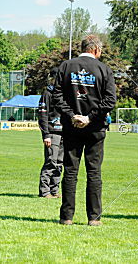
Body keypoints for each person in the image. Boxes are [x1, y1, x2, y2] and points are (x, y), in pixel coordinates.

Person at [53, 34, 116, 226]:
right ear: (96, 50)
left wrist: (72, 115)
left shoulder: (65, 66)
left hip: (71, 127)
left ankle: (67, 217)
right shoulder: (104, 69)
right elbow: (110, 101)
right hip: (95, 129)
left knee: (70, 171)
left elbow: (56, 96)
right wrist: (90, 117)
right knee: (94, 172)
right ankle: (94, 218)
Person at [38, 67, 63, 198]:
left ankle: (55, 190)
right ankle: (45, 191)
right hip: (52, 132)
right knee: (51, 162)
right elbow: (42, 116)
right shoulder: (47, 93)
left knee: (59, 163)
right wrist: (46, 135)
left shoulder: (64, 93)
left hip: (64, 132)